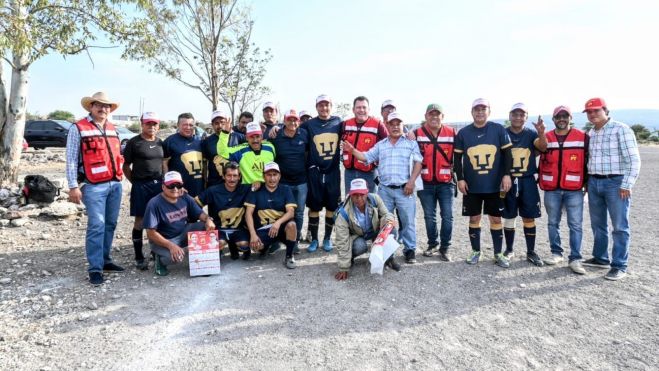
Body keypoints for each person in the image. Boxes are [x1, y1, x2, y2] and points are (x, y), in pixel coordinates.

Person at [343, 112, 423, 264]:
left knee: (408, 221)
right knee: (385, 222)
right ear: (386, 126)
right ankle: (387, 252)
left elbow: (418, 163)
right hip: (385, 190)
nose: (395, 127)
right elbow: (366, 157)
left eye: (398, 124)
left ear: (402, 125)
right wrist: (352, 150)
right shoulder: (381, 145)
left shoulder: (411, 144)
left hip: (405, 189)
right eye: (391, 124)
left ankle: (410, 250)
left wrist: (411, 182)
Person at [66, 91, 125, 285]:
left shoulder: (112, 127)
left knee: (110, 224)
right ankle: (95, 268)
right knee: (97, 226)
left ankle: (105, 260)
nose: (103, 108)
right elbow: (71, 160)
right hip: (93, 186)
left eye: (107, 106)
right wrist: (73, 186)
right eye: (98, 105)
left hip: (115, 184)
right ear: (91, 107)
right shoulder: (78, 128)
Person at [583, 97, 641, 281]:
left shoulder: (621, 129)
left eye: (596, 110)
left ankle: (619, 265)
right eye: (589, 112)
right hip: (594, 182)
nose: (592, 114)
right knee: (598, 224)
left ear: (605, 110)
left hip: (616, 183)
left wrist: (627, 184)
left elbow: (633, 159)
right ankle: (600, 258)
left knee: (619, 226)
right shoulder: (591, 133)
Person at [454, 98, 513, 268]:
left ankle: (498, 253)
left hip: (494, 184)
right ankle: (475, 251)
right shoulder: (464, 133)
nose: (480, 112)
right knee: (474, 217)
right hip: (472, 185)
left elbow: (508, 154)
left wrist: (507, 174)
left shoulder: (498, 129)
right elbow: (457, 158)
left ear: (489, 111)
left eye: (483, 109)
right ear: (471, 112)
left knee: (496, 218)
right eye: (476, 109)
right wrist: (461, 178)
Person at [539, 105, 588, 274]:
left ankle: (575, 258)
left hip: (574, 189)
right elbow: (540, 148)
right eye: (558, 116)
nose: (561, 119)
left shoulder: (582, 137)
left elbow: (588, 160)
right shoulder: (547, 137)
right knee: (553, 222)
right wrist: (541, 132)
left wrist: (587, 184)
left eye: (564, 116)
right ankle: (556, 253)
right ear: (553, 119)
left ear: (570, 118)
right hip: (551, 188)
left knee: (575, 224)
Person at [501, 103, 548, 267]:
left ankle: (531, 251)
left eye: (522, 115)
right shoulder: (503, 133)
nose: (518, 117)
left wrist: (542, 133)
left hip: (527, 179)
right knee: (509, 215)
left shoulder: (531, 133)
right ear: (510, 115)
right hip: (508, 179)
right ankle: (509, 249)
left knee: (529, 215)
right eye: (515, 114)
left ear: (526, 117)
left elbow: (543, 147)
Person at [143, 171, 216, 276]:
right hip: (165, 240)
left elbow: (200, 214)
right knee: (177, 258)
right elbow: (151, 233)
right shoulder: (154, 204)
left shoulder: (185, 197)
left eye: (178, 185)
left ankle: (201, 263)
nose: (175, 189)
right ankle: (159, 259)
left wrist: (208, 219)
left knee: (205, 226)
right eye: (171, 185)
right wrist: (170, 245)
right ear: (163, 187)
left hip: (183, 233)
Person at [122, 111, 165, 270]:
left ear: (158, 126)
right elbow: (126, 166)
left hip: (158, 186)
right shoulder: (134, 143)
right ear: (142, 124)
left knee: (158, 221)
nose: (151, 126)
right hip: (141, 186)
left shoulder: (161, 143)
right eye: (148, 123)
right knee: (140, 221)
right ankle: (139, 256)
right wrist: (136, 182)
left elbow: (164, 164)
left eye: (154, 124)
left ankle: (157, 253)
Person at [413, 103, 456, 261]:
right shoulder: (417, 133)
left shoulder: (452, 133)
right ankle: (433, 244)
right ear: (426, 116)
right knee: (429, 216)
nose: (434, 117)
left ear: (442, 117)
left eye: (437, 114)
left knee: (448, 216)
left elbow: (459, 156)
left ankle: (445, 247)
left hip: (446, 183)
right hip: (425, 183)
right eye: (431, 114)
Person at [334, 179, 399, 280]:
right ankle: (349, 258)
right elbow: (342, 241)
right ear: (350, 195)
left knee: (391, 230)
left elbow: (386, 214)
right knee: (360, 246)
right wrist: (343, 267)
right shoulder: (343, 213)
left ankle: (389, 258)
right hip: (357, 236)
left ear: (367, 193)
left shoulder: (375, 199)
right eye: (355, 195)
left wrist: (388, 221)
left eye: (362, 194)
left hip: (374, 230)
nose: (359, 198)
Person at [302, 94, 343, 253]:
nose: (324, 108)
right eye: (321, 105)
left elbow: (354, 128)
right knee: (314, 207)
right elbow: (292, 131)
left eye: (327, 105)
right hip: (315, 172)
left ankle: (327, 238)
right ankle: (314, 239)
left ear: (331, 106)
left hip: (333, 171)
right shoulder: (308, 124)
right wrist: (276, 128)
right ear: (316, 107)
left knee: (331, 207)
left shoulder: (339, 122)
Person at [244, 162, 298, 269]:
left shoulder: (285, 189)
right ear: (264, 176)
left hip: (280, 228)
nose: (272, 178)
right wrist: (253, 234)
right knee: (255, 247)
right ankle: (265, 247)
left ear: (279, 176)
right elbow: (248, 213)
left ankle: (289, 256)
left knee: (292, 225)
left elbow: (291, 212)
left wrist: (277, 223)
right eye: (269, 175)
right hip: (263, 229)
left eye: (275, 175)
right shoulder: (256, 190)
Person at [195, 161, 251, 260]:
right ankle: (222, 247)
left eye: (235, 175)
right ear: (223, 176)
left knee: (244, 245)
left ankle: (234, 246)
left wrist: (258, 183)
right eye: (229, 175)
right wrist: (206, 218)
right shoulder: (213, 191)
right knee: (218, 244)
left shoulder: (246, 189)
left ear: (239, 177)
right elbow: (194, 204)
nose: (232, 179)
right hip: (219, 228)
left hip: (238, 228)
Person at [271, 109, 309, 248]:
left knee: (298, 213)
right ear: (284, 121)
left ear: (298, 121)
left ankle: (295, 241)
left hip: (301, 182)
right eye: (289, 119)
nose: (292, 122)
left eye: (295, 119)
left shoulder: (304, 134)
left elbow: (308, 152)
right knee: (282, 212)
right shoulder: (276, 135)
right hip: (283, 183)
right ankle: (277, 240)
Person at [342, 96, 388, 193]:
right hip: (349, 172)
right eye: (358, 107)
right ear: (353, 109)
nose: (361, 110)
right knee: (350, 201)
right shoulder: (345, 124)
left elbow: (389, 143)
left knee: (371, 202)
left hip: (369, 173)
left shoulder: (378, 124)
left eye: (364, 107)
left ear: (369, 109)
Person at [218, 122, 276, 186]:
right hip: (248, 189)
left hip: (268, 187)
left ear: (262, 136)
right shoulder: (240, 150)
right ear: (246, 137)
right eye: (251, 137)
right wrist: (225, 133)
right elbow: (222, 151)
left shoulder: (270, 147)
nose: (255, 140)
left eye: (257, 136)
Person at [163, 113, 204, 197]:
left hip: (198, 189)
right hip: (178, 189)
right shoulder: (170, 141)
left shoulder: (200, 141)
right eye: (185, 125)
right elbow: (164, 164)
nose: (188, 127)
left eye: (191, 125)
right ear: (178, 125)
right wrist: (169, 184)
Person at [202, 109, 245, 187]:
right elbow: (205, 164)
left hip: (236, 184)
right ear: (212, 125)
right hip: (216, 184)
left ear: (228, 122)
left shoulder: (240, 137)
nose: (220, 126)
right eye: (216, 123)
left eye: (222, 122)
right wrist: (205, 182)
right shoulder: (207, 141)